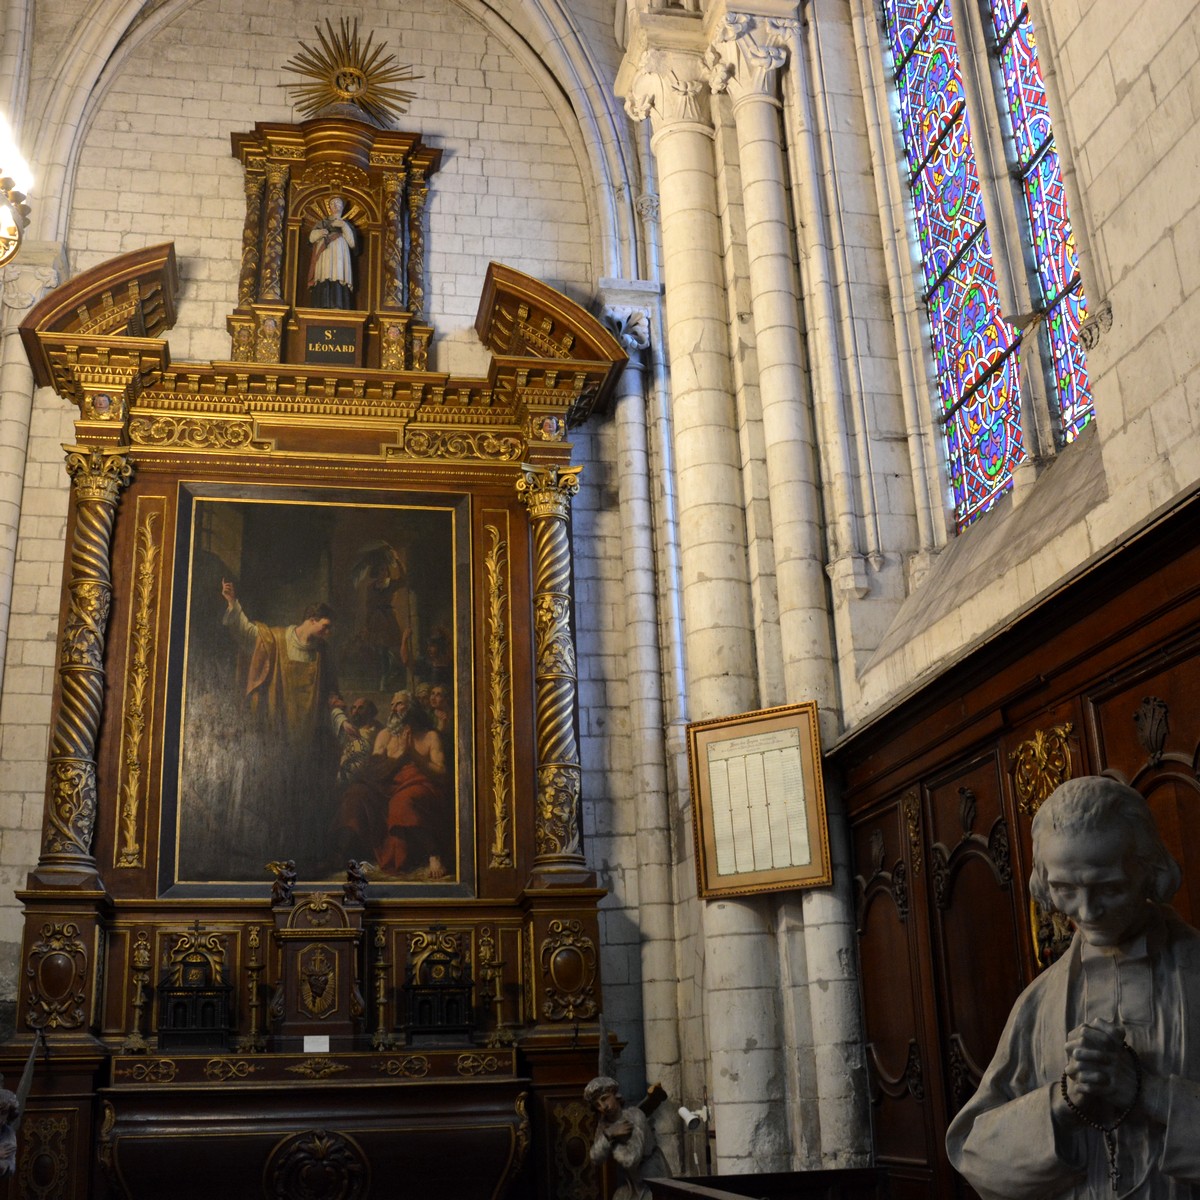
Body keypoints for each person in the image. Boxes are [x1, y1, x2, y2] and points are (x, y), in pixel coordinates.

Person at [946, 776, 1200, 1198]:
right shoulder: (1038, 1003)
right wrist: (1063, 1104)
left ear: (1150, 871)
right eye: (1065, 889)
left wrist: (1149, 1094)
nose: (1086, 911)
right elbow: (974, 1155)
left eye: (1110, 887)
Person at [221, 579, 341, 866]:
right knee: (269, 791)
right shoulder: (274, 639)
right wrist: (232, 605)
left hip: (307, 739)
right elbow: (247, 632)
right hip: (276, 732)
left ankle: (296, 853)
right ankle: (266, 853)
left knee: (302, 796)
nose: (327, 632)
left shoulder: (322, 654)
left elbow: (332, 694)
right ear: (311, 620)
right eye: (324, 625)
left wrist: (341, 718)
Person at [333, 690, 452, 879]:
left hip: (416, 784)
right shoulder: (385, 735)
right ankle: (341, 852)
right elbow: (373, 769)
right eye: (392, 704)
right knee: (355, 794)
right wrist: (398, 757)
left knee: (404, 801)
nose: (393, 708)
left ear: (412, 708)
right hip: (385, 785)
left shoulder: (429, 736)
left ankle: (433, 854)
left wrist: (413, 755)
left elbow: (442, 773)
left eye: (399, 704)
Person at [584, 1076, 670, 1200]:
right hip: (632, 1183)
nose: (603, 1106)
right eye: (597, 1105)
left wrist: (613, 1139)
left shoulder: (635, 1115)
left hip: (653, 1178)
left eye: (604, 1099)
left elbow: (631, 1160)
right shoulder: (605, 1125)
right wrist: (609, 1135)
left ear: (614, 1094)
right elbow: (595, 1157)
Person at [308, 195, 356, 309]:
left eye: (338, 203)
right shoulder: (322, 223)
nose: (335, 205)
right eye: (333, 203)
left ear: (342, 206)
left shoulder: (346, 224)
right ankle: (323, 304)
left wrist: (344, 226)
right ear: (329, 207)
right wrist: (320, 233)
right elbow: (311, 238)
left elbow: (352, 243)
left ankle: (339, 304)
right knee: (324, 273)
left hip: (340, 251)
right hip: (325, 251)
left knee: (339, 273)